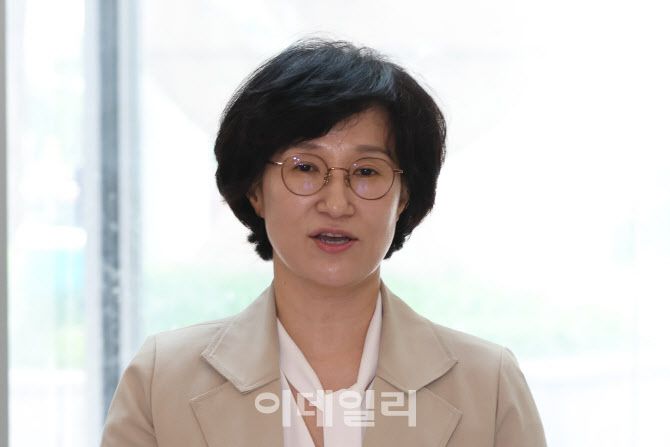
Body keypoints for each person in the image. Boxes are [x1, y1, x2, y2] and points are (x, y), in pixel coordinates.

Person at [100, 38, 546, 447]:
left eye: (367, 172)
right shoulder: (162, 381)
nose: (336, 203)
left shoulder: (488, 386)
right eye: (305, 168)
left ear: (404, 197)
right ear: (255, 190)